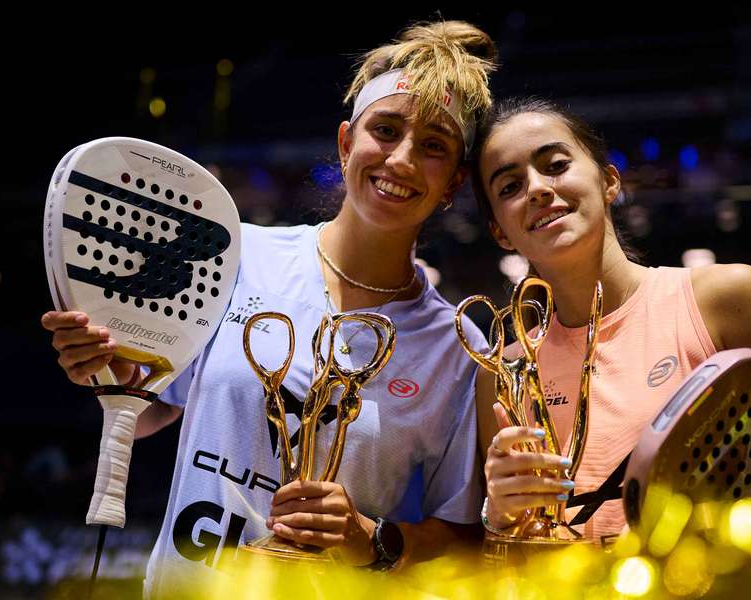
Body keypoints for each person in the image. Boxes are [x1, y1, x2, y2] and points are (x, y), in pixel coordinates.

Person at [41, 21, 497, 595]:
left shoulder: (459, 351)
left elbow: (463, 538)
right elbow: (151, 409)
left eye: (434, 146)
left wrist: (371, 538)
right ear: (346, 142)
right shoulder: (236, 257)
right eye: (385, 129)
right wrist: (115, 375)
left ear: (454, 180)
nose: (402, 160)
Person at [471, 97, 751, 545]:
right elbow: (505, 561)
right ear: (500, 232)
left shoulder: (726, 300)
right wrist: (501, 520)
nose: (537, 188)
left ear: (609, 181)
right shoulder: (501, 373)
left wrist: (718, 576)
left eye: (556, 164)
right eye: (509, 187)